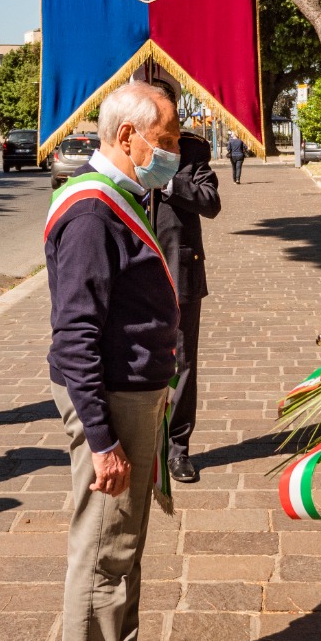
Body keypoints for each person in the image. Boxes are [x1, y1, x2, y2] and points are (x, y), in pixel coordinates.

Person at [46, 80, 188, 641]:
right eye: (167, 138)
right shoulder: (91, 212)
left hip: (135, 394)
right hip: (110, 399)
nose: (174, 151)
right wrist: (102, 440)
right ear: (127, 135)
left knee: (124, 545)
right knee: (103, 548)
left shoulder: (121, 197)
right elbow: (74, 335)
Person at [142, 77, 220, 484]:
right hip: (134, 270)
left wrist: (170, 182)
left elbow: (211, 202)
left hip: (180, 267)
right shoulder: (126, 148)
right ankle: (141, 441)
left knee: (183, 361)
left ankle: (177, 448)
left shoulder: (191, 149)